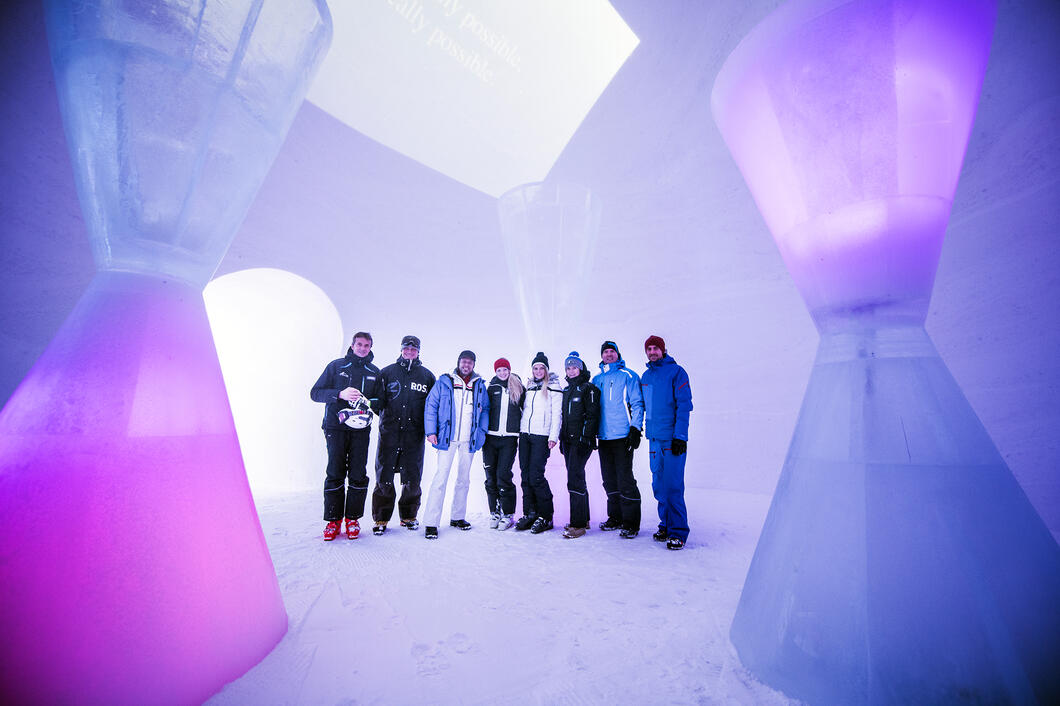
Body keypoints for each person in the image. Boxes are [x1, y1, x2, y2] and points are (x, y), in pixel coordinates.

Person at [310, 332, 381, 541]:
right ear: (352, 345)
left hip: (361, 429)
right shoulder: (336, 366)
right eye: (359, 344)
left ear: (370, 347)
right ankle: (333, 521)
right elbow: (315, 392)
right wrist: (339, 394)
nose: (362, 348)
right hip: (335, 427)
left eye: (366, 345)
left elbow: (380, 403)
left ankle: (352, 519)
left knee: (358, 473)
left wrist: (369, 402)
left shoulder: (374, 372)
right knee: (335, 471)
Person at [370, 335, 436, 535]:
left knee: (412, 477)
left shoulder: (426, 376)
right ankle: (381, 519)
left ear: (418, 351)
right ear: (401, 349)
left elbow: (432, 407)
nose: (409, 352)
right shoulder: (387, 373)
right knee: (385, 476)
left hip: (414, 435)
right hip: (389, 433)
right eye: (406, 348)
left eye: (413, 349)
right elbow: (376, 402)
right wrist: (388, 419)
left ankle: (408, 516)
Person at [423, 350, 490, 539]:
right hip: (447, 438)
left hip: (468, 440)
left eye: (470, 362)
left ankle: (457, 517)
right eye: (463, 361)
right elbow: (431, 406)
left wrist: (481, 433)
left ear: (474, 365)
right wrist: (431, 431)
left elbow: (485, 409)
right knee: (440, 479)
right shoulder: (445, 381)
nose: (466, 365)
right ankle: (431, 523)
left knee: (464, 480)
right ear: (458, 363)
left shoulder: (479, 385)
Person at [641, 335, 693, 550]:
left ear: (663, 350)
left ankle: (678, 531)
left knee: (672, 486)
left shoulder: (677, 372)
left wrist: (680, 436)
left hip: (672, 440)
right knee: (658, 485)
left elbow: (684, 405)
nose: (652, 351)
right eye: (649, 348)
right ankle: (666, 524)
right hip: (654, 439)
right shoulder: (646, 376)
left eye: (656, 348)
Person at [592, 340, 645, 538]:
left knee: (625, 479)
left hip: (622, 435)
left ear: (617, 354)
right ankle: (615, 517)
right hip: (604, 436)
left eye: (611, 351)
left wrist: (635, 429)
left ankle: (631, 523)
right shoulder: (597, 379)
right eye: (605, 352)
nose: (608, 355)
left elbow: (637, 403)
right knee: (608, 479)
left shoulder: (628, 376)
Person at [516, 352, 562, 534]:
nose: (538, 371)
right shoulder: (529, 387)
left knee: (536, 476)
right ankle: (530, 513)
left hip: (541, 436)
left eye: (541, 368)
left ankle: (546, 516)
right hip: (525, 435)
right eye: (535, 368)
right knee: (525, 476)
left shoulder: (553, 387)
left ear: (546, 370)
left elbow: (557, 414)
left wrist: (553, 436)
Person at [559, 352, 600, 539]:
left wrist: (586, 438)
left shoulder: (588, 388)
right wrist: (561, 438)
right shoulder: (567, 390)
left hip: (581, 442)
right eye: (568, 368)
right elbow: (564, 418)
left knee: (574, 479)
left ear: (581, 368)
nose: (571, 370)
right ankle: (584, 519)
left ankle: (577, 525)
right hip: (568, 441)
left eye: (574, 367)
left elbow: (592, 416)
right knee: (577, 477)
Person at [483, 358, 523, 530]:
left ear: (509, 370)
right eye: (499, 370)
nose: (502, 373)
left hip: (509, 438)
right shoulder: (490, 388)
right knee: (490, 477)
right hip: (490, 438)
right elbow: (484, 409)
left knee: (503, 475)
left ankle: (508, 514)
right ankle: (495, 512)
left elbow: (527, 409)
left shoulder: (518, 386)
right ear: (495, 372)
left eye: (504, 370)